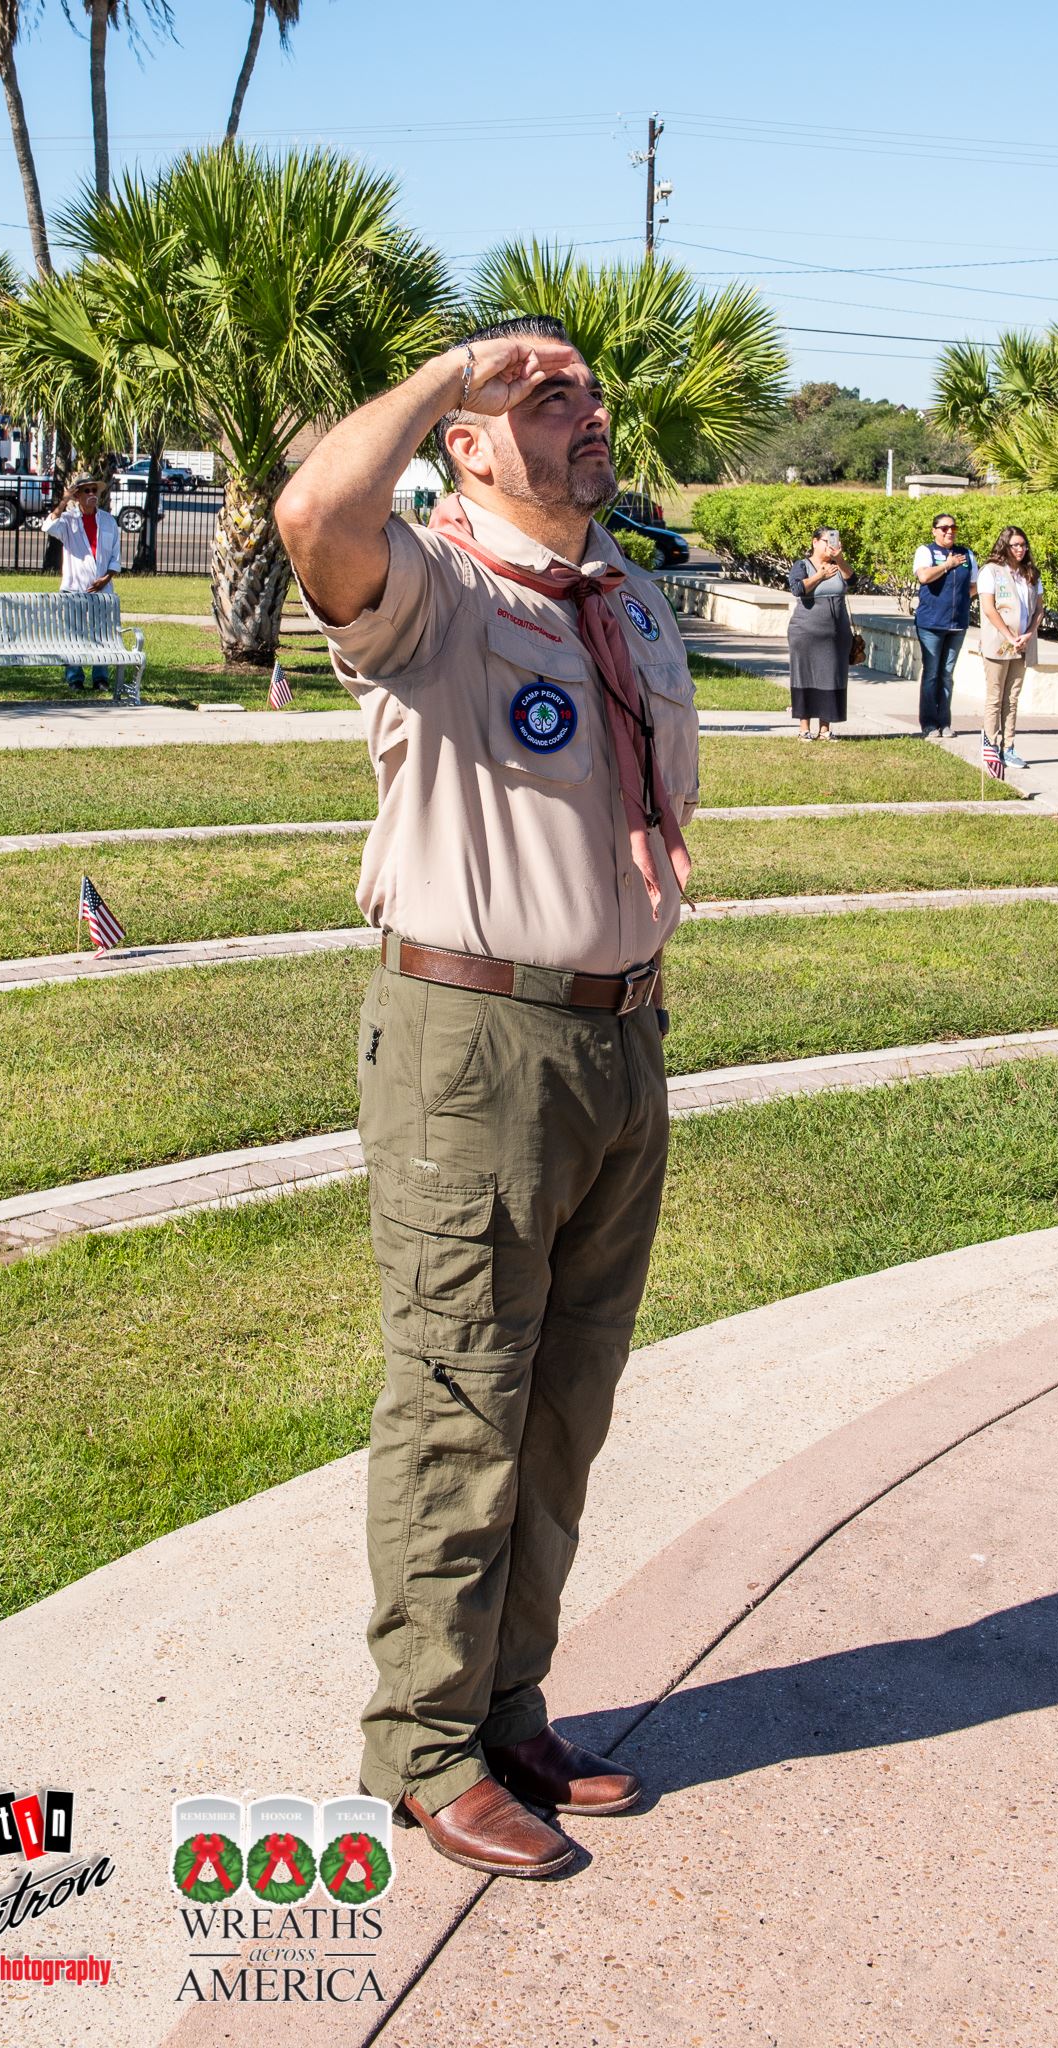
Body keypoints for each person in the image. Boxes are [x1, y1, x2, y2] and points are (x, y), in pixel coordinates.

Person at [276, 316, 699, 1882]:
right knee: (459, 1396)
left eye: (587, 392)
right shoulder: (436, 593)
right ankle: (424, 1746)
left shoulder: (625, 603)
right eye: (544, 398)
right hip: (474, 1050)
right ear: (465, 441)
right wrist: (457, 370)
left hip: (618, 1045)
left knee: (564, 1405)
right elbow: (312, 518)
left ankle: (509, 1705)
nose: (584, 413)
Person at [40, 475, 120, 691]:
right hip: (73, 588)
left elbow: (115, 555)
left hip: (102, 589)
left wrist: (107, 577)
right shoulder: (68, 520)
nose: (92, 494)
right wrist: (64, 500)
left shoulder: (108, 521)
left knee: (101, 634)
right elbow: (47, 526)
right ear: (78, 495)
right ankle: (75, 678)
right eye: (87, 491)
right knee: (73, 634)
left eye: (95, 490)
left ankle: (100, 678)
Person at [977, 526, 1043, 768]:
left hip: (1023, 643)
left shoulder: (1030, 573)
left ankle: (1009, 746)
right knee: (995, 697)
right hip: (999, 643)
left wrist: (1028, 634)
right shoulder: (991, 572)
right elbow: (989, 608)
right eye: (1015, 545)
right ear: (1004, 545)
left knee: (1012, 698)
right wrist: (1009, 635)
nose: (1020, 549)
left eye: (1023, 545)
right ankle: (991, 746)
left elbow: (1039, 608)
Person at [912, 512, 977, 737]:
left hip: (957, 624)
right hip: (930, 623)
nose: (950, 531)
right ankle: (929, 724)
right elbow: (924, 577)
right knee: (931, 673)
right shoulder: (926, 551)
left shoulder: (966, 554)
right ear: (935, 531)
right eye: (944, 528)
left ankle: (944, 722)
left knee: (947, 674)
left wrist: (961, 599)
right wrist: (947, 565)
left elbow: (974, 585)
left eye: (953, 528)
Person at [787, 525, 852, 739]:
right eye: (827, 541)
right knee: (804, 675)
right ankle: (804, 729)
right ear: (815, 542)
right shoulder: (803, 565)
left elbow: (853, 580)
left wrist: (840, 560)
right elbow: (797, 588)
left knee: (831, 677)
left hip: (836, 632)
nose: (831, 545)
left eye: (834, 541)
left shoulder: (837, 565)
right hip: (806, 631)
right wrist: (820, 576)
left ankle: (825, 729)